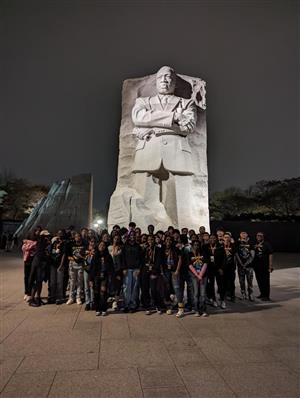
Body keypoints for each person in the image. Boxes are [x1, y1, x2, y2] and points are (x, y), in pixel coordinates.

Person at [132, 66, 197, 227]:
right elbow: (138, 117)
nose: (164, 81)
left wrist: (150, 126)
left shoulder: (186, 103)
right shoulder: (143, 101)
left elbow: (188, 127)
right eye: (161, 77)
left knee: (178, 203)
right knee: (144, 201)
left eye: (168, 78)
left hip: (177, 154)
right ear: (156, 81)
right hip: (148, 152)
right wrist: (174, 116)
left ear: (174, 83)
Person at [27, 230, 51, 307]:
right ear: (43, 236)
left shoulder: (43, 242)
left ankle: (38, 298)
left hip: (40, 264)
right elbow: (41, 255)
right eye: (46, 236)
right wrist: (48, 257)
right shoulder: (41, 242)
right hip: (38, 264)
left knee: (39, 282)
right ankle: (32, 299)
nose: (48, 237)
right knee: (37, 282)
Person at [89, 241, 113, 316]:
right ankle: (97, 309)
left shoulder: (108, 256)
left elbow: (111, 268)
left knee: (103, 293)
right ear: (98, 246)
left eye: (103, 245)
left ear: (105, 247)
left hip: (104, 277)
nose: (101, 246)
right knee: (96, 293)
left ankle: (104, 309)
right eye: (100, 245)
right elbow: (91, 269)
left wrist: (111, 277)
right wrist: (90, 280)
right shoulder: (95, 256)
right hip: (96, 277)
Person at [121, 231, 143, 312]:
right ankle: (127, 305)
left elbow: (141, 259)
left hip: (135, 270)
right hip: (127, 269)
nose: (132, 236)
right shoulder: (125, 246)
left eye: (134, 235)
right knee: (127, 288)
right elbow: (122, 258)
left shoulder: (138, 246)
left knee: (134, 288)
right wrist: (124, 268)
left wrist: (139, 269)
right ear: (129, 236)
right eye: (131, 235)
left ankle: (133, 305)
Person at [188, 240, 209, 317]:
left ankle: (203, 310)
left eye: (198, 245)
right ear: (192, 246)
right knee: (196, 294)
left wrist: (201, 275)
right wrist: (197, 275)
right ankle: (196, 310)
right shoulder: (189, 254)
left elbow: (206, 263)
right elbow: (190, 265)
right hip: (194, 276)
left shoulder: (204, 253)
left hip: (203, 276)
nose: (196, 246)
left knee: (203, 294)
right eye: (195, 245)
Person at [162, 236, 182, 315]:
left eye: (170, 240)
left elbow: (180, 259)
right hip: (166, 271)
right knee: (167, 289)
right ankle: (169, 307)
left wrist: (177, 270)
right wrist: (162, 272)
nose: (168, 241)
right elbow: (160, 261)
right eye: (167, 239)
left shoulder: (175, 249)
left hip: (174, 271)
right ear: (164, 241)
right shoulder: (162, 249)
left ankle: (181, 308)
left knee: (176, 288)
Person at [66, 232, 86, 305]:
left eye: (79, 236)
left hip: (81, 265)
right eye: (76, 236)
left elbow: (86, 254)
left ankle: (78, 297)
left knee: (80, 281)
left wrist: (81, 258)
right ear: (74, 237)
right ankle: (71, 297)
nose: (77, 238)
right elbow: (68, 255)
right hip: (72, 264)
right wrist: (74, 259)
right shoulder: (71, 245)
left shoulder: (84, 245)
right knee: (72, 282)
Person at [48, 230, 68, 305]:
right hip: (53, 264)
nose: (60, 235)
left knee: (59, 282)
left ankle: (60, 297)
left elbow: (64, 254)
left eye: (61, 234)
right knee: (52, 282)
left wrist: (61, 265)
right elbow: (50, 251)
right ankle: (52, 296)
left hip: (60, 264)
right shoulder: (54, 242)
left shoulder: (64, 243)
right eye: (58, 233)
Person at [253, 232, 273, 301]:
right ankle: (262, 294)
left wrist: (270, 266)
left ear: (263, 237)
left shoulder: (267, 244)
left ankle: (266, 296)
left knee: (265, 281)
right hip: (257, 266)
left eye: (260, 235)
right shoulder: (255, 245)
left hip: (265, 266)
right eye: (257, 235)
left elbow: (270, 254)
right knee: (259, 280)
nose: (258, 236)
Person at [235, 231, 255, 301]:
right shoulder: (237, 243)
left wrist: (246, 264)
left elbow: (252, 255)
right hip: (240, 266)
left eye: (245, 233)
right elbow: (236, 254)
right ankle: (243, 294)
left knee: (250, 281)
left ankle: (250, 294)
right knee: (241, 281)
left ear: (247, 235)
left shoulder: (251, 243)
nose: (243, 235)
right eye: (242, 234)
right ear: (240, 235)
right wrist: (241, 263)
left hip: (249, 266)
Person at [108, 234, 123, 311]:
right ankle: (111, 300)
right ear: (113, 239)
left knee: (118, 285)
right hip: (111, 269)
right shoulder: (109, 247)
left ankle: (115, 302)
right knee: (111, 285)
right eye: (115, 238)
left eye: (118, 238)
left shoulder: (121, 248)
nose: (116, 240)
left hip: (118, 269)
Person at [21, 232, 37, 302]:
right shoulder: (26, 243)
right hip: (27, 261)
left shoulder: (36, 243)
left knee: (31, 278)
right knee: (26, 277)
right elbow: (24, 249)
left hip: (33, 263)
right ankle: (26, 292)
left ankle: (29, 293)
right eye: (32, 235)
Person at [223, 232, 236, 302]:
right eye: (225, 237)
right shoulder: (221, 246)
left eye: (228, 237)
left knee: (231, 282)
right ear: (223, 238)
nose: (227, 239)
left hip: (231, 267)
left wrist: (235, 266)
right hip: (223, 267)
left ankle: (232, 295)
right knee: (224, 282)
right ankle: (224, 295)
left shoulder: (233, 245)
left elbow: (235, 256)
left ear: (230, 238)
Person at [83, 240, 96, 310]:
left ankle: (92, 302)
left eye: (93, 242)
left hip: (93, 271)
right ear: (89, 242)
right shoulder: (85, 251)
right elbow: (83, 260)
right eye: (91, 242)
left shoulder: (96, 251)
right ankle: (87, 302)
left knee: (92, 287)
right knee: (86, 287)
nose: (92, 243)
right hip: (86, 270)